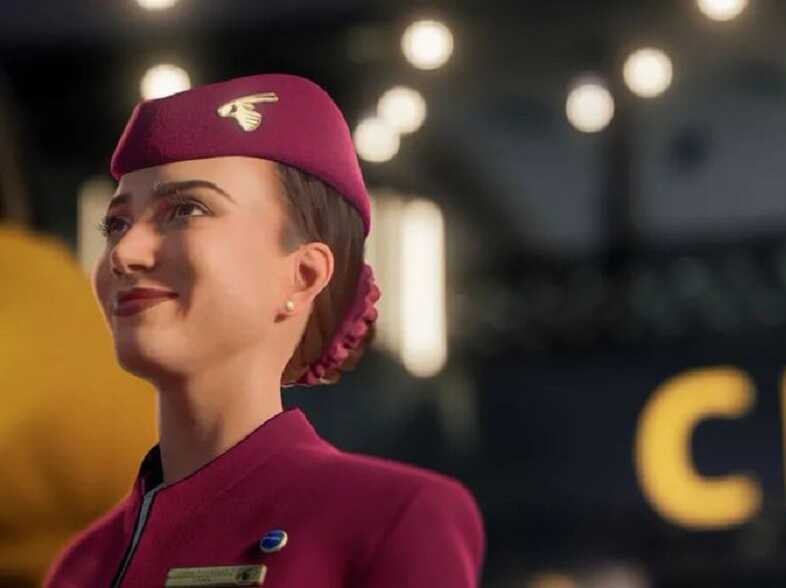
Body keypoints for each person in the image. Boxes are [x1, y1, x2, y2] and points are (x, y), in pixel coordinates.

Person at [42, 72, 485, 587]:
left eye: (186, 210)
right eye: (116, 224)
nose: (124, 253)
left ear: (304, 274)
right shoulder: (85, 565)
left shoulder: (393, 522)